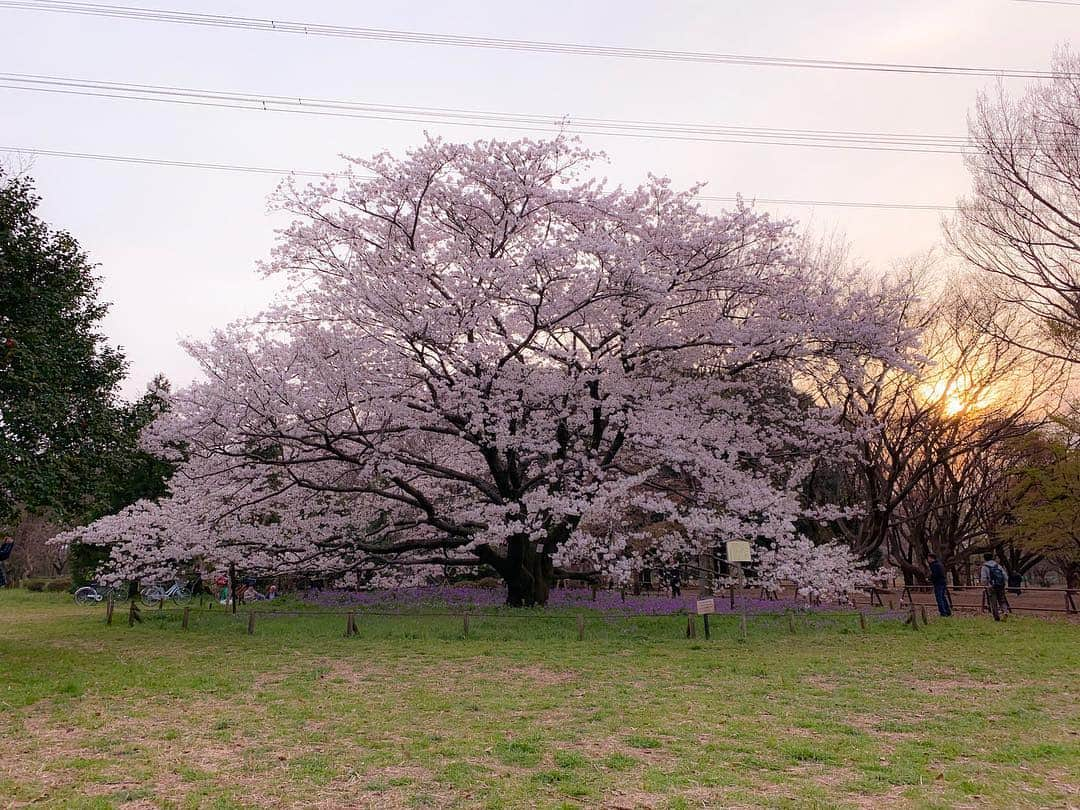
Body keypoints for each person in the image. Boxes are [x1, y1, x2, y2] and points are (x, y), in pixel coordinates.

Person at [979, 552, 1010, 620]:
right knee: (1002, 600)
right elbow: (1005, 576)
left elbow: (984, 578)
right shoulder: (998, 565)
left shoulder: (984, 567)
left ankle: (996, 617)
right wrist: (1004, 583)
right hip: (1000, 585)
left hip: (991, 586)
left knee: (993, 602)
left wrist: (985, 585)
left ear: (984, 558)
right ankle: (1005, 611)